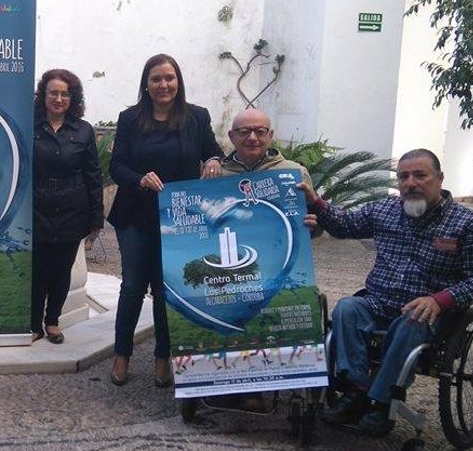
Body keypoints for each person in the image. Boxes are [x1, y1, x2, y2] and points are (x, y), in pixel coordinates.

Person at [302, 148, 473, 435]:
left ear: (440, 178)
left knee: (414, 318)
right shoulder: (384, 210)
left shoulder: (469, 226)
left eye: (420, 175)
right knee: (346, 308)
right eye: (403, 176)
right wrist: (315, 201)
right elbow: (344, 225)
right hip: (379, 302)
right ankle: (356, 391)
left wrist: (440, 300)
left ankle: (381, 403)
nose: (410, 183)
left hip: (428, 313)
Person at [107, 54, 225, 388]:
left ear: (179, 81)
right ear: (146, 83)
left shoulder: (196, 117)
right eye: (157, 79)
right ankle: (122, 355)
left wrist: (214, 160)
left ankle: (163, 358)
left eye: (169, 78)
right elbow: (117, 166)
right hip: (135, 214)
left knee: (166, 289)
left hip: (179, 218)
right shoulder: (130, 118)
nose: (164, 85)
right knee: (132, 286)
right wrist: (139, 178)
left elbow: (212, 150)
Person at [219, 108, 313, 412]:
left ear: (270, 135)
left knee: (269, 307)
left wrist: (315, 221)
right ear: (231, 136)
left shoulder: (293, 172)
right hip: (233, 262)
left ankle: (256, 387)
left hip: (279, 263)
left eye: (260, 130)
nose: (252, 137)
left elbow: (317, 221)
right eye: (244, 131)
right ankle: (219, 377)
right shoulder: (215, 173)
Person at [31, 68, 103, 344]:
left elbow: (93, 175)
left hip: (73, 212)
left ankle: (52, 321)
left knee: (61, 272)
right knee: (38, 272)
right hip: (37, 210)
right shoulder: (30, 125)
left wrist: (96, 217)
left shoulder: (83, 131)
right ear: (44, 95)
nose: (59, 99)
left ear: (73, 98)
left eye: (64, 94)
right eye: (53, 93)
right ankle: (33, 322)